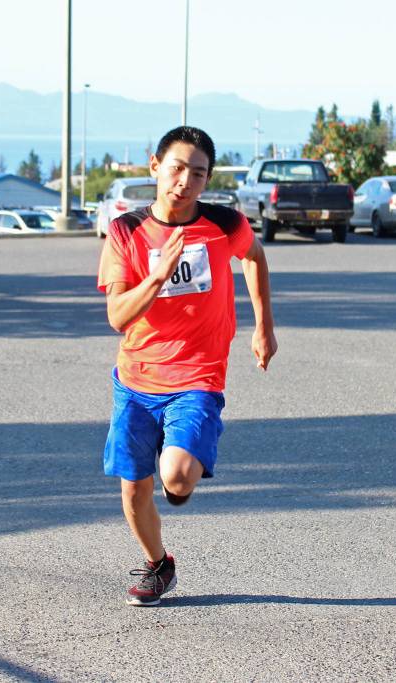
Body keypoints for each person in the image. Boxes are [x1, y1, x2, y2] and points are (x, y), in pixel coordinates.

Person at [97, 126, 277, 606]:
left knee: (175, 479)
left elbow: (255, 257)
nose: (185, 181)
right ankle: (159, 565)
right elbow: (117, 316)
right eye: (177, 168)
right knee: (135, 490)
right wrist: (157, 276)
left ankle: (187, 459)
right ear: (154, 165)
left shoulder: (223, 224)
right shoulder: (126, 231)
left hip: (198, 374)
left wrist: (264, 327)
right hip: (135, 379)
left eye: (198, 173)